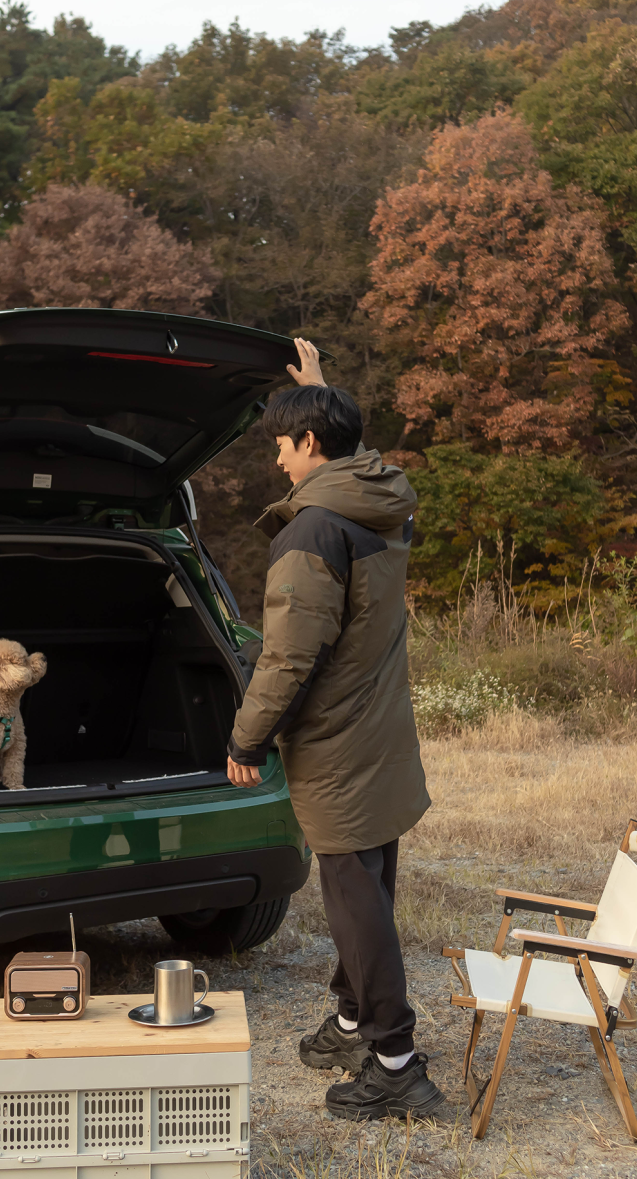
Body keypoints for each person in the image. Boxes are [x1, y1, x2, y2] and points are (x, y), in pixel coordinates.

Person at [226, 338, 452, 1122]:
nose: (278, 464)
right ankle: (356, 1019)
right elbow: (364, 453)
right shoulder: (385, 500)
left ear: (310, 444)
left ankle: (395, 1061)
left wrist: (245, 741)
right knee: (371, 886)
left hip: (336, 742)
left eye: (284, 447)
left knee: (356, 903)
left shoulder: (311, 534)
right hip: (381, 730)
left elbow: (287, 661)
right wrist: (321, 389)